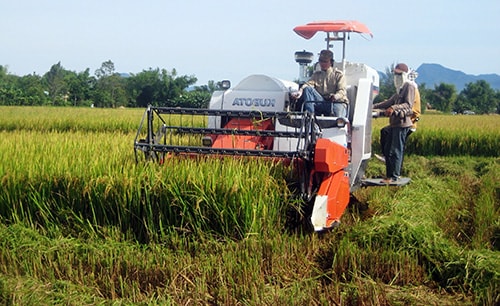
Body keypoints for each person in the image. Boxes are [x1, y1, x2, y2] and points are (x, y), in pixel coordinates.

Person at [372, 63, 416, 183]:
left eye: (399, 74)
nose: (396, 76)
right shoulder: (399, 89)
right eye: (395, 74)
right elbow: (388, 102)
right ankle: (389, 175)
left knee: (396, 150)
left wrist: (394, 108)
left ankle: (394, 176)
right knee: (388, 148)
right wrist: (372, 106)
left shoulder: (409, 86)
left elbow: (408, 104)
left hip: (402, 124)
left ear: (404, 74)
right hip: (394, 124)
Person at [291, 49, 349, 117]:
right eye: (320, 61)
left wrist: (335, 96)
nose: (322, 63)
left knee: (337, 115)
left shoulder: (339, 75)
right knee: (308, 89)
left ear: (331, 62)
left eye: (325, 61)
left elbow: (342, 91)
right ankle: (310, 116)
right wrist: (300, 92)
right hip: (322, 103)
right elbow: (308, 84)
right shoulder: (316, 75)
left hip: (336, 103)